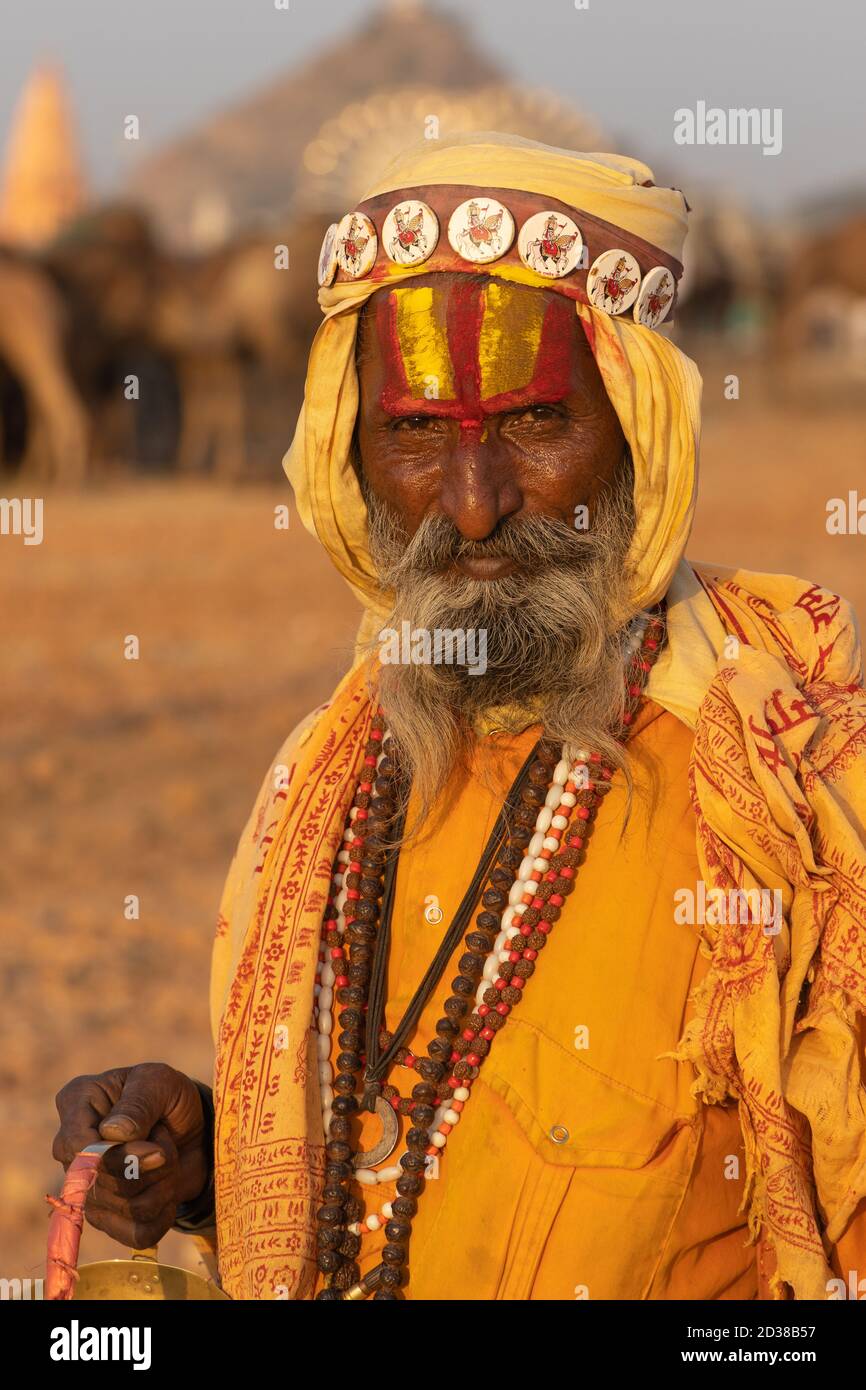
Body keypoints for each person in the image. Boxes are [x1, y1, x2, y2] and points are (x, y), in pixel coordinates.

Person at [53, 134, 866, 1302]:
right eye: (418, 432)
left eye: (535, 425)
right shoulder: (328, 774)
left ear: (640, 434)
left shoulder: (788, 797)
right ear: (353, 454)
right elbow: (413, 1179)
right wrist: (210, 1176)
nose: (473, 507)